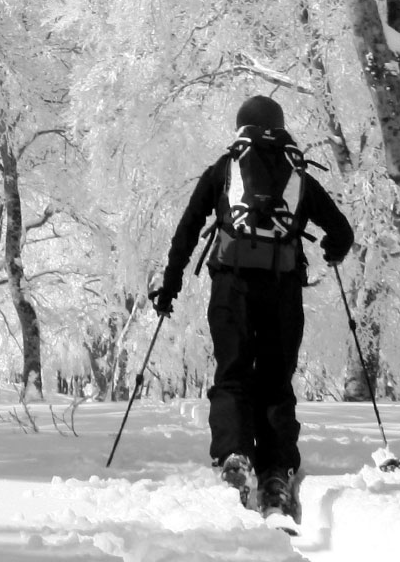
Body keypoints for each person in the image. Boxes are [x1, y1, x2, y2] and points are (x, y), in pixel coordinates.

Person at [148, 94, 354, 523]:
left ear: (241, 126)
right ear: (279, 127)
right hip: (282, 291)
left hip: (232, 288)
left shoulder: (226, 168)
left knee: (234, 374)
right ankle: (277, 473)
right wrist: (332, 252)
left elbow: (187, 229)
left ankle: (234, 457)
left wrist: (170, 286)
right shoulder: (297, 174)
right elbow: (341, 231)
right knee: (276, 382)